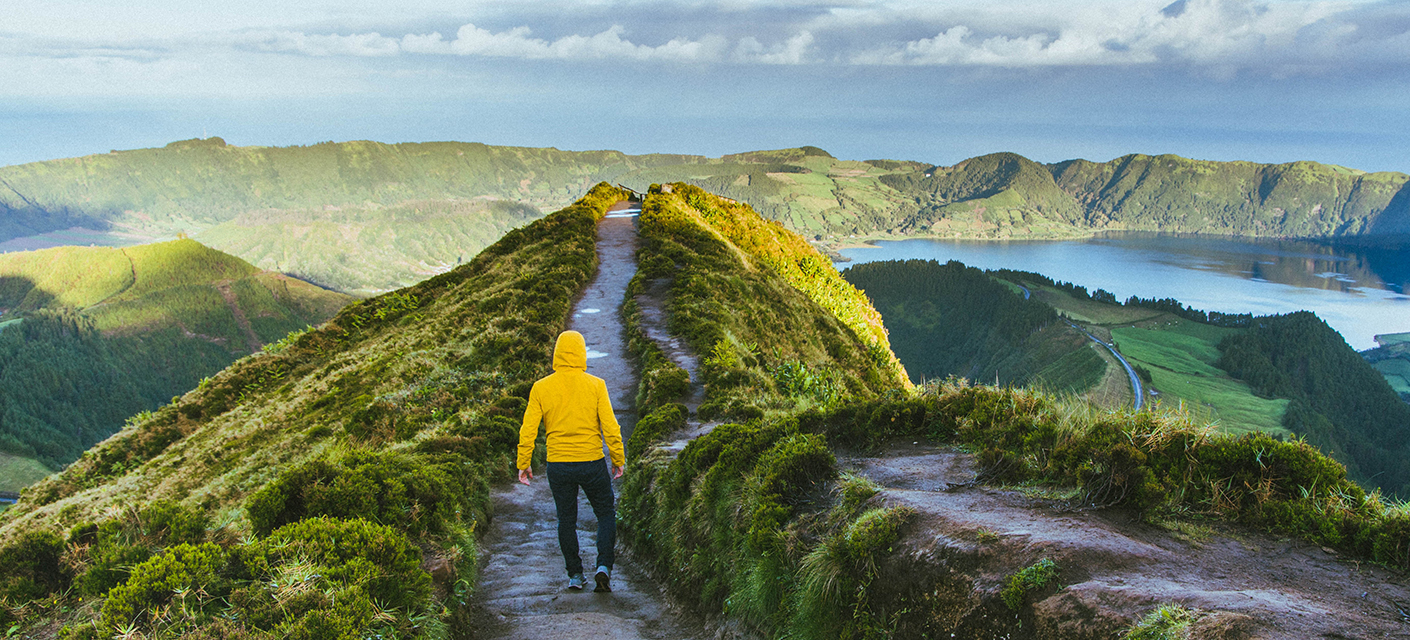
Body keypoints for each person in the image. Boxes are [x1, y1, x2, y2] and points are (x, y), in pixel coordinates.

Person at [517, 330, 626, 593]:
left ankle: (575, 575)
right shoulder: (596, 385)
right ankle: (603, 566)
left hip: (559, 465)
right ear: (581, 353)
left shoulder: (541, 387)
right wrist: (618, 458)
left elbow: (528, 429)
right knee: (605, 514)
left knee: (566, 520)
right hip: (592, 461)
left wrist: (524, 462)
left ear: (556, 354)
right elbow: (610, 426)